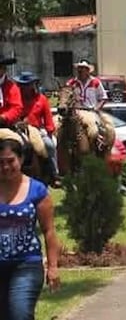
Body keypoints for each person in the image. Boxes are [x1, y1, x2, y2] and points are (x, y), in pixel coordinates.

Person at [0, 135, 60, 319]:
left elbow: (49, 231)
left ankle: (54, 170)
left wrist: (52, 267)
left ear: (21, 159)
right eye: (0, 163)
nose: (5, 167)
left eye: (10, 161)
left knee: (20, 314)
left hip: (26, 264)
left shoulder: (37, 190)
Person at [14, 72, 60, 186]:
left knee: (49, 145)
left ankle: (54, 174)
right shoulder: (16, 98)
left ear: (34, 84)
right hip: (18, 128)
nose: (25, 87)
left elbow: (48, 118)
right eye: (23, 85)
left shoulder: (42, 99)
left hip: (38, 129)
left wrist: (50, 131)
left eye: (28, 84)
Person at [0, 54, 23, 128]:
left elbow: (17, 107)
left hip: (6, 125)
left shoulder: (12, 87)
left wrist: (4, 117)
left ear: (4, 69)